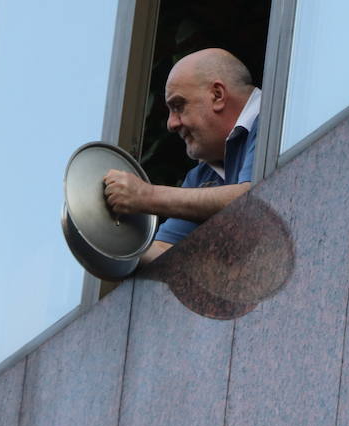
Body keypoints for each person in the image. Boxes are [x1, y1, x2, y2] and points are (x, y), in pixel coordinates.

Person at [103, 48, 260, 264]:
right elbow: (163, 252)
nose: (171, 124)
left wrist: (145, 196)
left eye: (179, 106)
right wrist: (99, 228)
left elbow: (256, 199)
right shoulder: (202, 177)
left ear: (217, 95)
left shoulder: (276, 117)